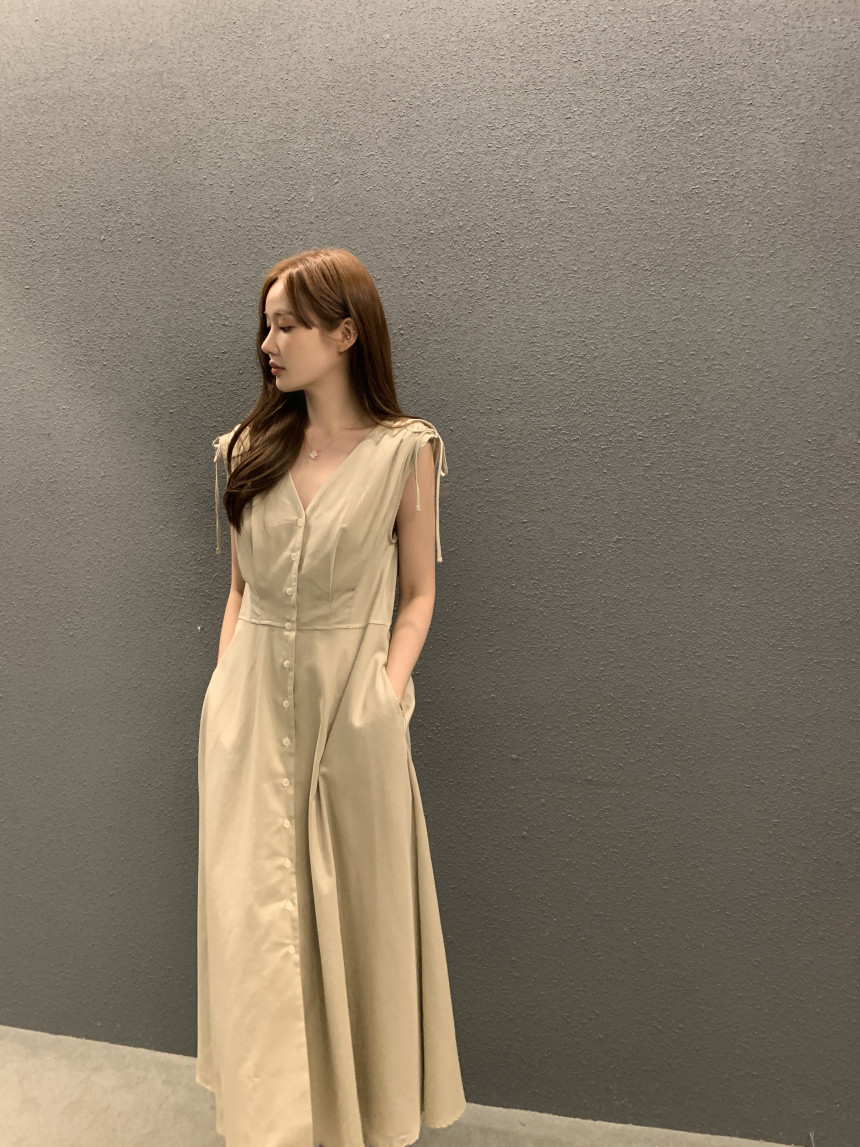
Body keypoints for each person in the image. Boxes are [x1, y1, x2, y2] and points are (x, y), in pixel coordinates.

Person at [196, 247, 467, 1147]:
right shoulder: (246, 450)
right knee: (255, 916)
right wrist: (223, 695)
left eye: (288, 325)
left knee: (358, 915)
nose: (268, 343)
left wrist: (382, 699)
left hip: (353, 716)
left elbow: (419, 594)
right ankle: (270, 1118)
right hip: (248, 719)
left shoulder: (405, 453)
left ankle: (354, 1118)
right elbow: (239, 591)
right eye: (266, 325)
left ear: (345, 333)